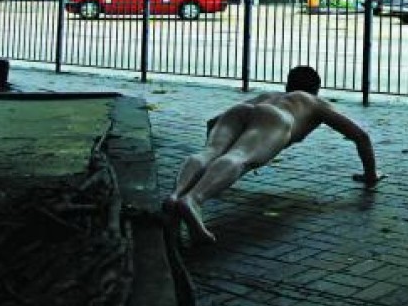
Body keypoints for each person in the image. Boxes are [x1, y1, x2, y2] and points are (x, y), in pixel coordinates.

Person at [163, 66, 382, 244]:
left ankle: (176, 195)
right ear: (316, 89)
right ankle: (193, 199)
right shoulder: (314, 102)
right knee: (240, 156)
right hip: (276, 118)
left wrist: (212, 170)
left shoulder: (270, 95)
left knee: (209, 152)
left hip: (242, 109)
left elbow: (212, 123)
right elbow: (360, 136)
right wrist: (371, 174)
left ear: (287, 85)